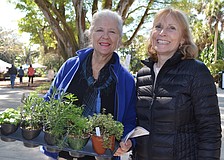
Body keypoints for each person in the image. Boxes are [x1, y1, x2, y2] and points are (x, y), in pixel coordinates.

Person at [41, 9, 136, 160]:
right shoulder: (70, 66)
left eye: (112, 31)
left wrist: (127, 141)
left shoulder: (126, 80)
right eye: (99, 30)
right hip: (63, 154)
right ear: (90, 35)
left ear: (119, 39)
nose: (105, 36)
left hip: (103, 155)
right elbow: (49, 101)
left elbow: (130, 120)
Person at [134, 8, 222, 160]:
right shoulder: (142, 75)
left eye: (172, 28)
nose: (162, 33)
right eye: (158, 26)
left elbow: (210, 131)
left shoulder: (196, 71)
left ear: (182, 39)